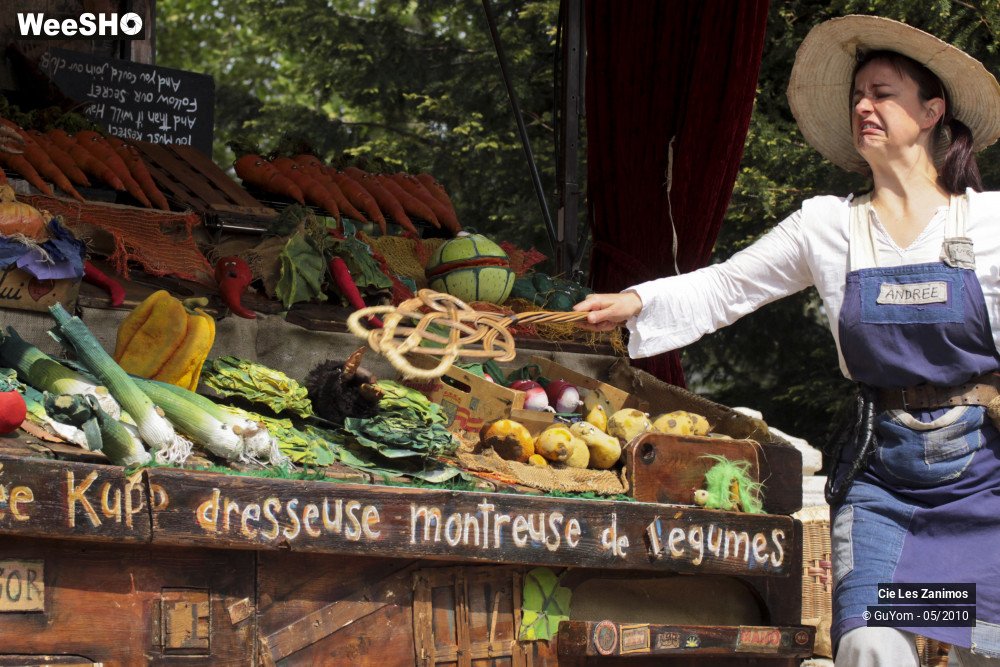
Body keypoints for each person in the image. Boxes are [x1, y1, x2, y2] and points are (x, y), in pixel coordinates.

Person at [574, 14, 1000, 667]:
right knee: (871, 643)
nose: (864, 105)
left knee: (977, 649)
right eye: (857, 94)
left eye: (883, 92)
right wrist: (635, 300)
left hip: (983, 487)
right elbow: (725, 289)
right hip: (885, 486)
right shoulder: (828, 227)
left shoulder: (991, 223)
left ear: (932, 110)